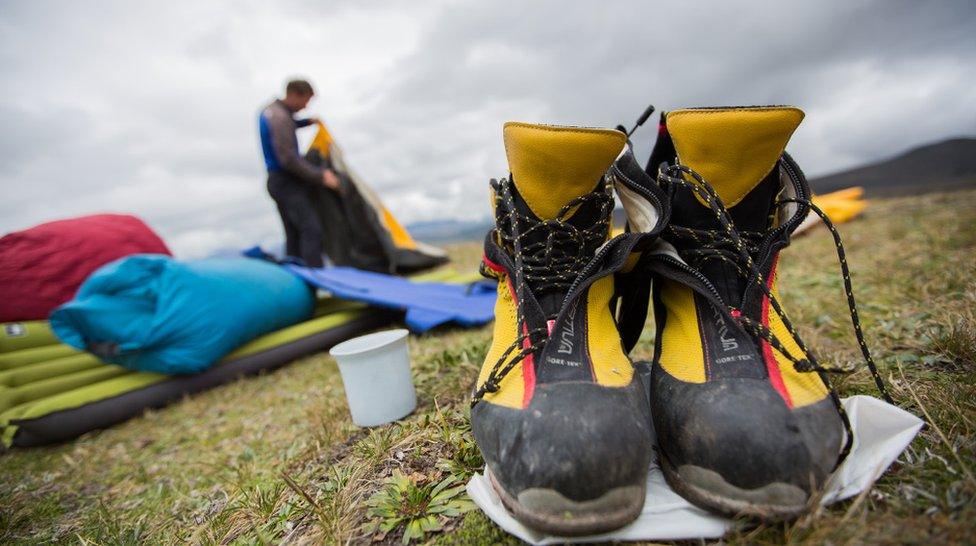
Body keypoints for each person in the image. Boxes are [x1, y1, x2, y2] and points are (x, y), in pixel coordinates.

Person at [259, 79, 340, 268]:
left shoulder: (272, 112)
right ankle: (316, 281)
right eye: (306, 101)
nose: (305, 107)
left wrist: (306, 122)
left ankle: (299, 284)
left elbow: (288, 125)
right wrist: (321, 176)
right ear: (294, 94)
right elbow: (288, 159)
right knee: (311, 230)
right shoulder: (279, 118)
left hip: (277, 182)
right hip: (285, 182)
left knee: (294, 235)